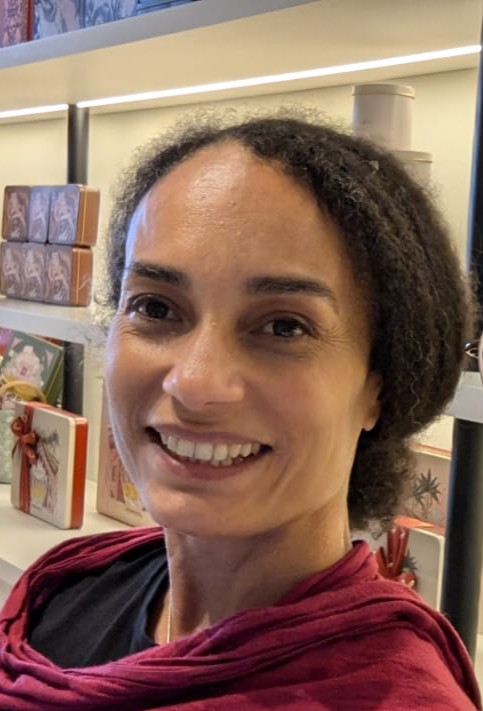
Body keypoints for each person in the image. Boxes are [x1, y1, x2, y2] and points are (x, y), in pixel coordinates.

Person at [0, 114, 481, 710]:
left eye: (283, 326)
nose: (194, 383)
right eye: (155, 307)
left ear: (379, 385)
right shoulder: (64, 593)